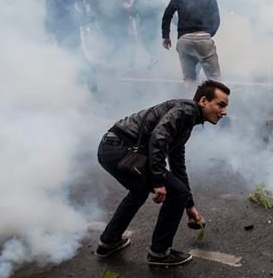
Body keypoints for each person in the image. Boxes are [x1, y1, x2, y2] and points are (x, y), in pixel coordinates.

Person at [95, 80, 230, 265]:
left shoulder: (185, 122)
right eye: (221, 105)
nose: (224, 112)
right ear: (204, 101)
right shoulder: (186, 110)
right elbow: (158, 138)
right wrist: (159, 182)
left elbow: (178, 166)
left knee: (142, 191)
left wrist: (189, 207)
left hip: (110, 149)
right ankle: (159, 252)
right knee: (176, 192)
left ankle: (107, 243)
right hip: (120, 149)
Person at [162, 0, 221, 91]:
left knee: (189, 78)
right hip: (204, 40)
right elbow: (216, 20)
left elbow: (167, 15)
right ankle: (217, 104)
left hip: (184, 41)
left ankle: (191, 104)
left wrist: (166, 36)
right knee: (214, 78)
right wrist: (208, 34)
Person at [131, 0, 162, 69]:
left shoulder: (138, 0)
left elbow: (132, 13)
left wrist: (128, 8)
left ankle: (154, 56)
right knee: (153, 40)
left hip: (145, 24)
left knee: (144, 40)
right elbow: (163, 8)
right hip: (155, 24)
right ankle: (156, 58)